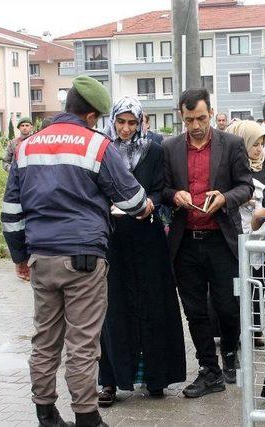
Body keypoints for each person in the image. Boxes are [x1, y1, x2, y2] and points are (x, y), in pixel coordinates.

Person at [0, 75, 153, 427]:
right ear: (91, 116)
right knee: (83, 343)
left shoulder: (26, 146)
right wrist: (145, 208)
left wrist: (20, 256)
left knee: (44, 339)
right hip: (84, 258)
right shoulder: (96, 146)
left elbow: (10, 211)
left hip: (41, 257)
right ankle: (87, 416)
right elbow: (130, 198)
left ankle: (46, 414)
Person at [162, 88, 253, 397]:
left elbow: (246, 187)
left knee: (229, 307)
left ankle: (229, 352)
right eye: (189, 120)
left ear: (211, 113)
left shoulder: (231, 144)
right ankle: (208, 369)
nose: (196, 125)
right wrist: (175, 195)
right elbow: (162, 188)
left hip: (222, 239)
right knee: (195, 309)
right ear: (181, 117)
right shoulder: (170, 148)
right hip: (185, 241)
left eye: (201, 118)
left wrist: (225, 198)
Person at [96, 97, 186, 404]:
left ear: (141, 123)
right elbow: (96, 189)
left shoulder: (154, 150)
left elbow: (162, 188)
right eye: (120, 122)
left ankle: (155, 377)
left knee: (153, 303)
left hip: (147, 235)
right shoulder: (102, 150)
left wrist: (149, 204)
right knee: (112, 306)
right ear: (113, 121)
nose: (125, 128)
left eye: (132, 122)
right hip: (113, 237)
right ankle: (110, 380)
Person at [225, 120, 265, 348]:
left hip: (261, 233)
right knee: (237, 286)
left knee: (258, 282)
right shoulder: (233, 165)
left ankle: (256, 329)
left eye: (262, 143)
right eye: (255, 143)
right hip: (239, 230)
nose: (259, 149)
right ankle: (234, 332)